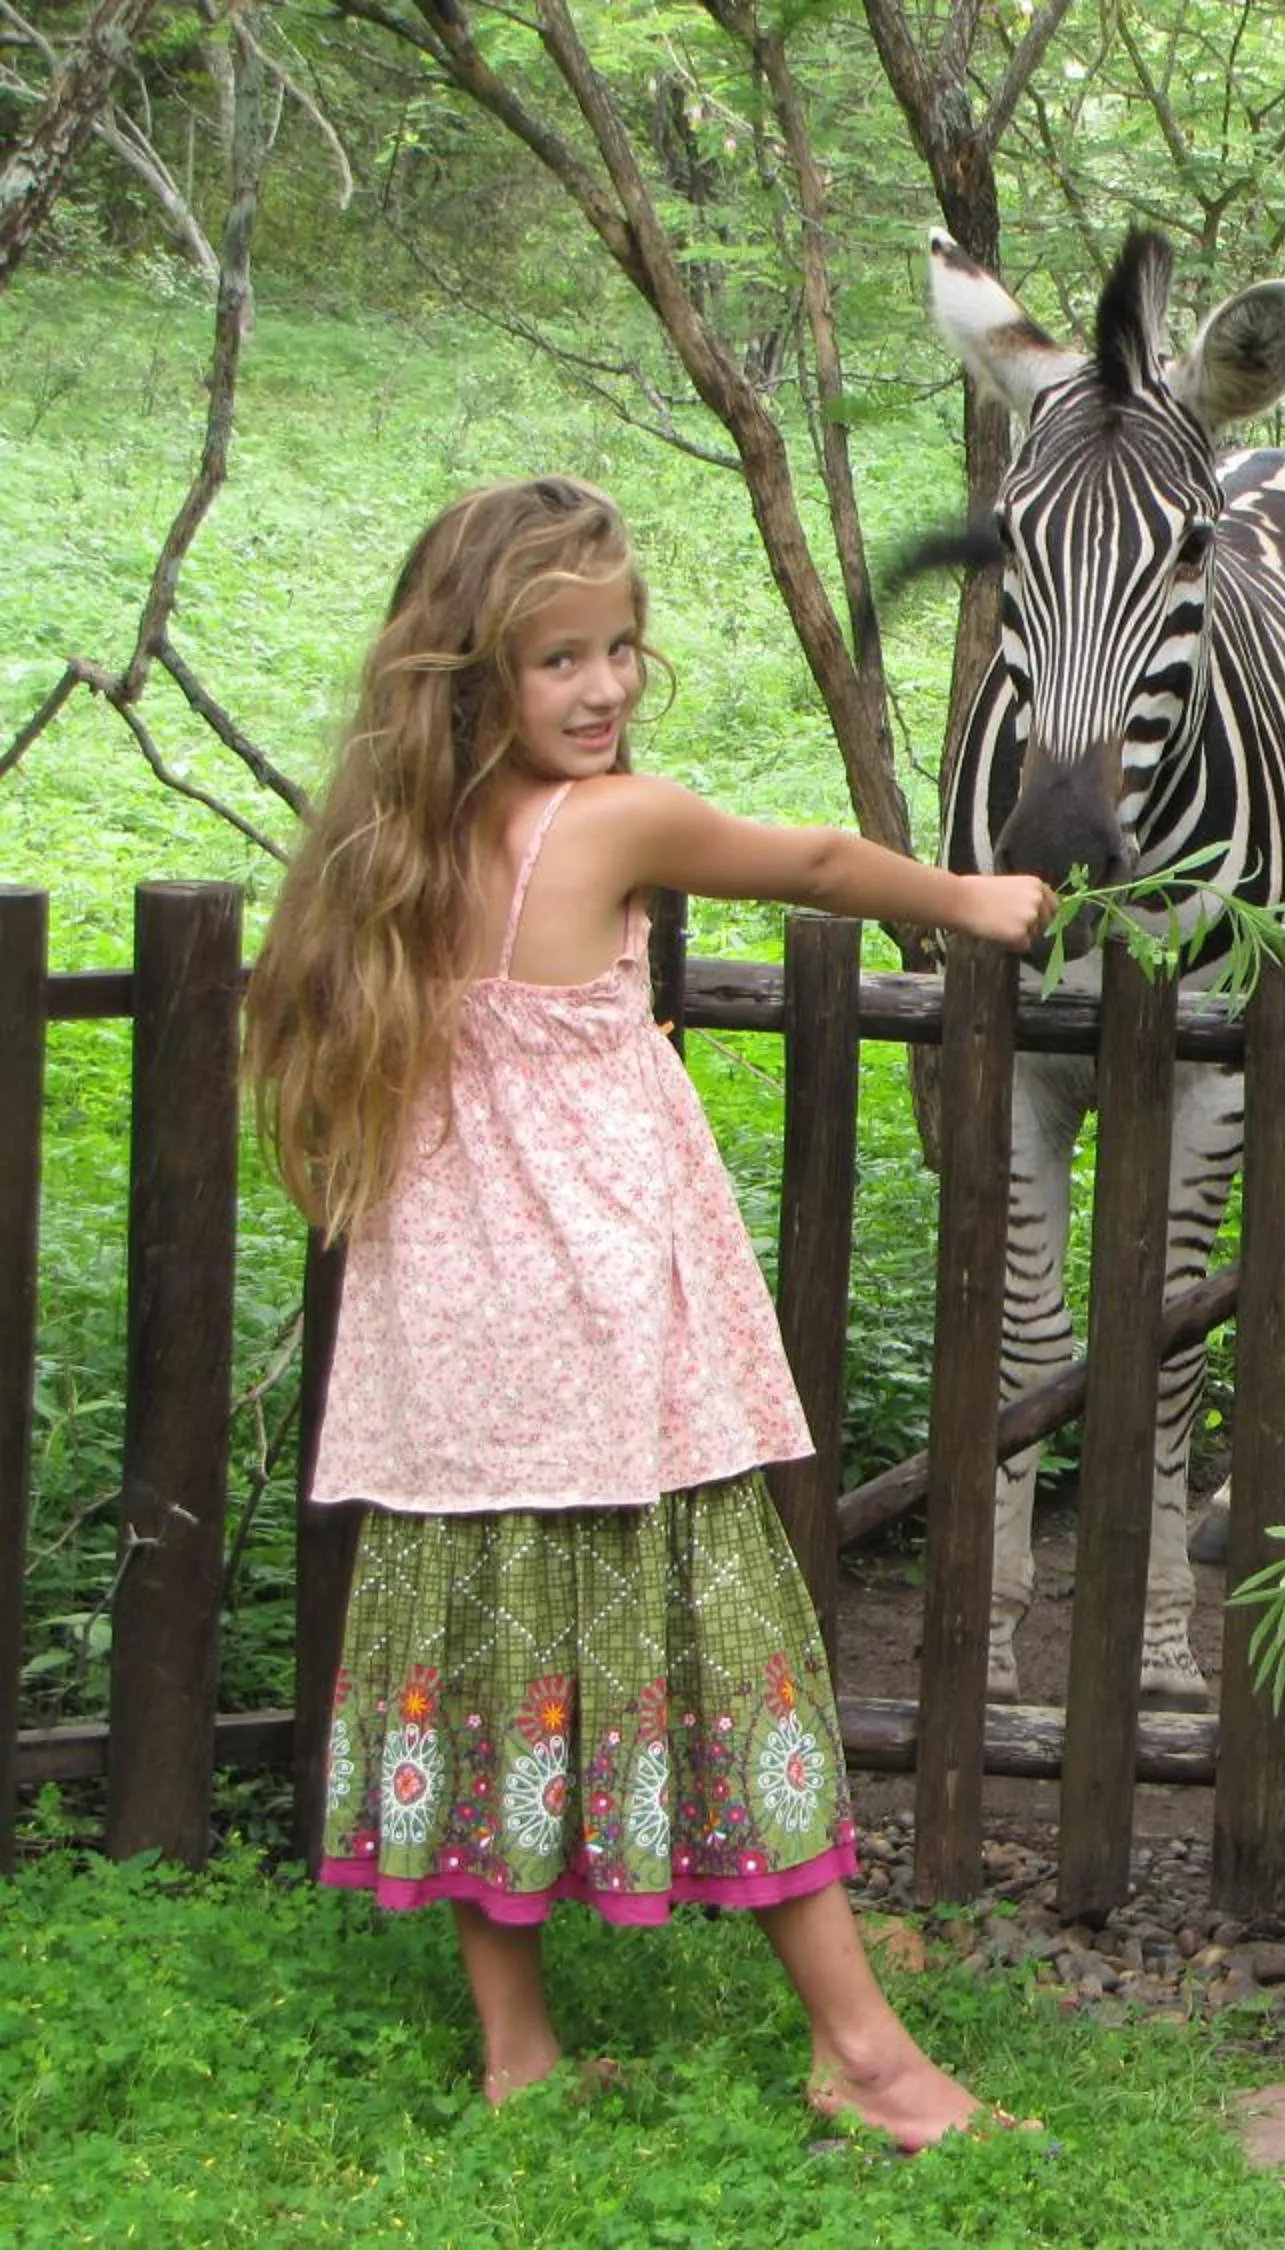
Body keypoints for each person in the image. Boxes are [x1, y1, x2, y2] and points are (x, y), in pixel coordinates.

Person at [242, 476, 1059, 2150]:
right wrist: (975, 899)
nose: (605, 686)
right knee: (737, 1650)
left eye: (619, 648)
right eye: (560, 659)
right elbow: (819, 859)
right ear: (473, 672)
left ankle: (519, 2046)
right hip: (606, 1338)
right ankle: (864, 2052)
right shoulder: (606, 825)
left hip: (460, 1364)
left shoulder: (391, 850)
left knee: (494, 1661)